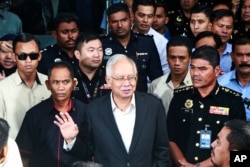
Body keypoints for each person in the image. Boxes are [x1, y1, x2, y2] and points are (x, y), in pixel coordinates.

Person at [55, 54, 172, 167]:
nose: (127, 83)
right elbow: (88, 152)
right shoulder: (94, 110)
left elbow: (162, 151)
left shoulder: (153, 105)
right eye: (120, 78)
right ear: (108, 80)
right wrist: (71, 140)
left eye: (131, 77)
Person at [167, 46, 246, 167]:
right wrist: (183, 164)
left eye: (202, 69)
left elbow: (239, 147)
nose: (195, 73)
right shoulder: (180, 97)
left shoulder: (232, 101)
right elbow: (170, 137)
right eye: (192, 68)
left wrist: (199, 166)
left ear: (216, 71)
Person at [16, 61, 91, 167]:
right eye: (55, 82)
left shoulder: (86, 112)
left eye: (66, 82)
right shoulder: (34, 114)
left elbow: (91, 153)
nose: (61, 87)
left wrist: (72, 141)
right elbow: (23, 155)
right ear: (48, 85)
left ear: (74, 84)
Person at [102, 3, 163, 92]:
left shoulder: (146, 43)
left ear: (131, 20)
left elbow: (157, 79)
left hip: (140, 101)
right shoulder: (102, 44)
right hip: (112, 101)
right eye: (114, 21)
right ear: (108, 24)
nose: (119, 25)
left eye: (123, 20)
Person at [0, 33, 51, 139]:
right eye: (22, 56)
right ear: (14, 57)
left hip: (48, 150)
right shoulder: (2, 88)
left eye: (33, 56)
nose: (28, 61)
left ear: (40, 56)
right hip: (15, 152)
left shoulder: (51, 83)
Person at [148, 36, 192, 115]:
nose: (177, 63)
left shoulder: (197, 85)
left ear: (190, 59)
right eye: (172, 57)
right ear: (167, 58)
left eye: (182, 58)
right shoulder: (155, 85)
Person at [218, 35, 250, 122]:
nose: (244, 60)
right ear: (232, 56)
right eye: (239, 55)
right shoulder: (220, 83)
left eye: (248, 55)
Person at [132, 0, 169, 74]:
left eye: (150, 16)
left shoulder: (162, 43)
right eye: (141, 15)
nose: (145, 20)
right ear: (133, 15)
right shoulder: (123, 35)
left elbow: (165, 74)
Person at [73, 31, 108, 103]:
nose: (97, 55)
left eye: (100, 50)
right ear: (78, 54)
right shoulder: (70, 76)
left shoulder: (110, 75)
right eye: (91, 50)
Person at [210, 9, 234, 74]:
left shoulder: (236, 52)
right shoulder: (197, 51)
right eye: (221, 26)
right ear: (210, 26)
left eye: (229, 27)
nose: (225, 31)